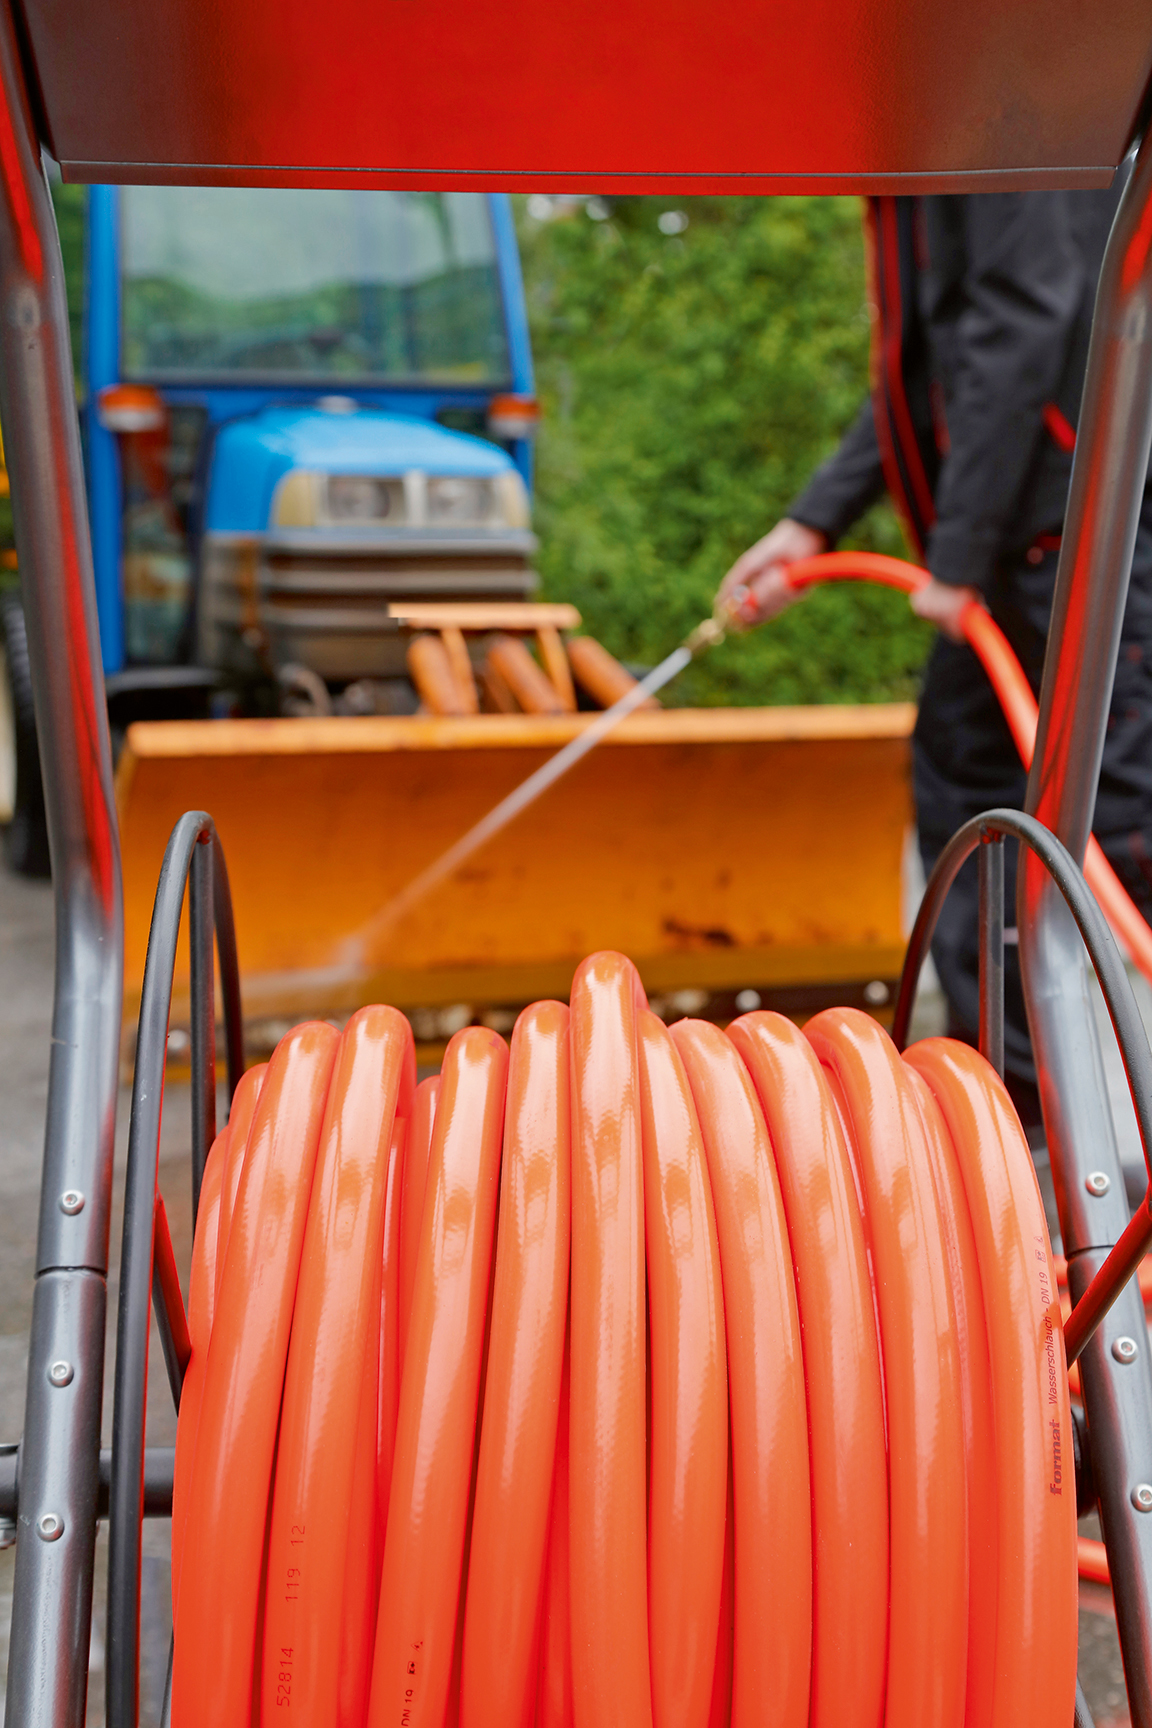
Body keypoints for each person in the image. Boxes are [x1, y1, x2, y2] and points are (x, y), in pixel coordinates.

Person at [715, 190, 1152, 1122]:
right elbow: (926, 374)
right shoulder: (927, 150)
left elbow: (1025, 316)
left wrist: (957, 556)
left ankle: (1074, 1121)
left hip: (1084, 534)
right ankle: (1003, 1116)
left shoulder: (1005, 125)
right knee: (971, 793)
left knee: (1117, 826)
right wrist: (813, 522)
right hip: (1020, 549)